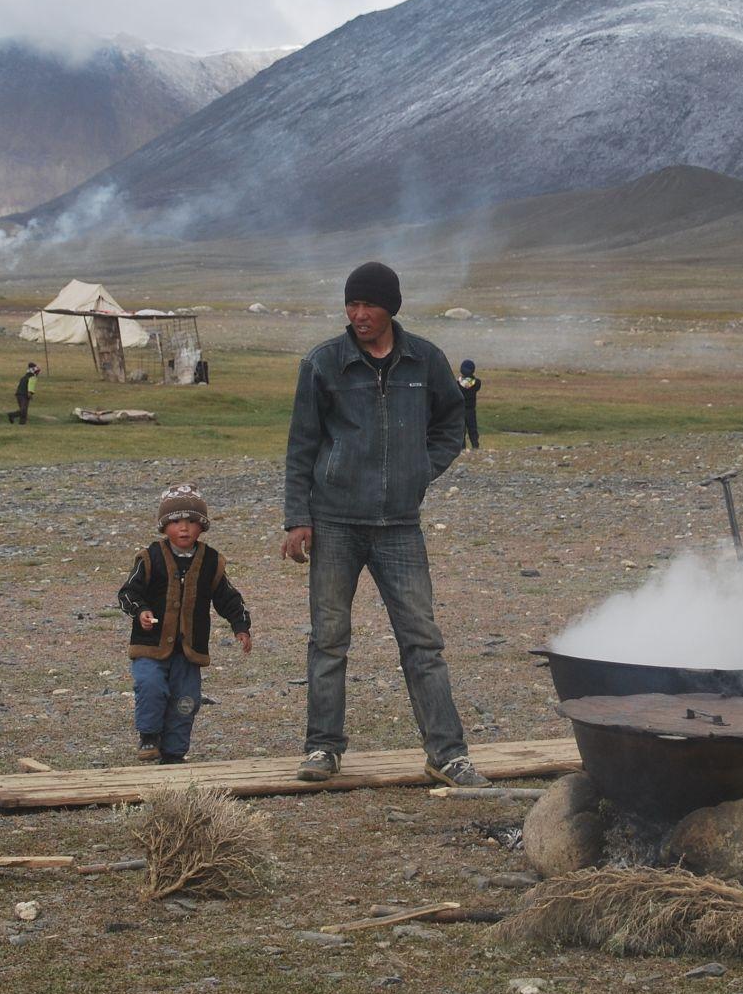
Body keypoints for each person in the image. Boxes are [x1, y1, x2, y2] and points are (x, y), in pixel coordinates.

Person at [282, 261, 487, 788]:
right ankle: (322, 749)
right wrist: (297, 519)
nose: (358, 314)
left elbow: (451, 422)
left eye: (368, 304)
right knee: (329, 639)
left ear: (390, 306)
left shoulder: (425, 360)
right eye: (351, 305)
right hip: (334, 521)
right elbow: (302, 444)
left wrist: (422, 469)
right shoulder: (324, 363)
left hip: (399, 524)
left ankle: (447, 753)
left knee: (422, 639)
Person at [117, 484, 251, 765]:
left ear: (202, 527)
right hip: (150, 646)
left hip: (189, 650)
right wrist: (140, 610)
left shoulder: (211, 562)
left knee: (186, 700)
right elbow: (128, 592)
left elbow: (228, 597)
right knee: (150, 685)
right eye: (176, 521)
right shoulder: (149, 558)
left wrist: (240, 626)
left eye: (192, 522)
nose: (184, 528)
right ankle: (150, 736)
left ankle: (174, 753)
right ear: (165, 526)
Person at [458, 359, 483, 450]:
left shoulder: (457, 384)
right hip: (471, 410)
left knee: (461, 430)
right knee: (473, 429)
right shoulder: (477, 383)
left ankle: (462, 448)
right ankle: (475, 446)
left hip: (460, 410)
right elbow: (477, 381)